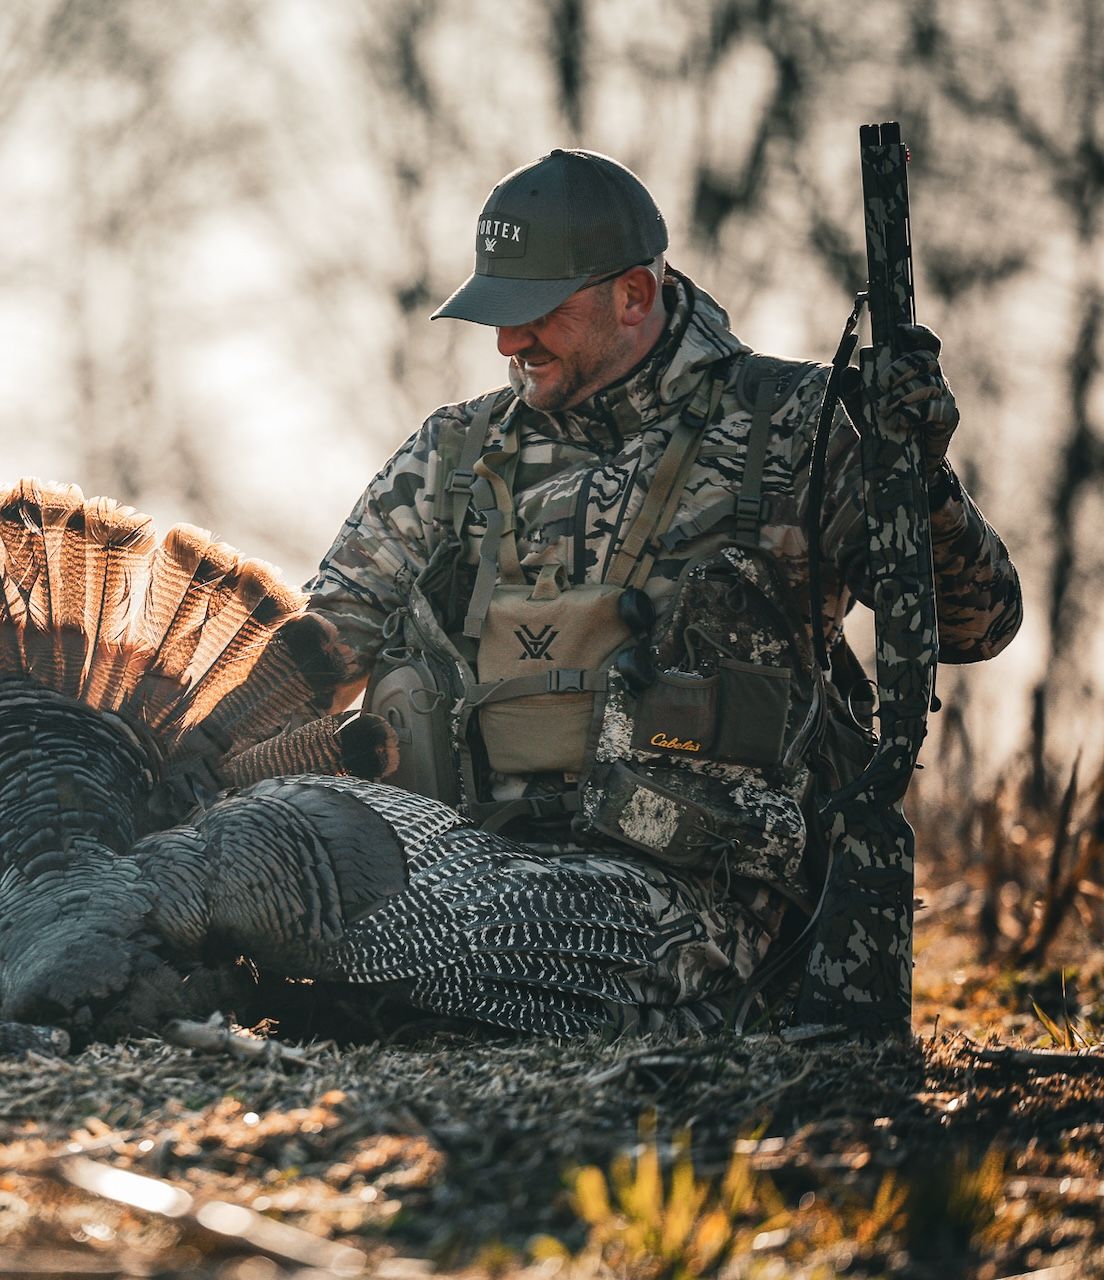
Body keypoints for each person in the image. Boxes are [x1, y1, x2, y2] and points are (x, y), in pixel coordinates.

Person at [305, 148, 1021, 1032]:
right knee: (285, 903)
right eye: (495, 315)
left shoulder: (794, 428)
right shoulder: (455, 454)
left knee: (470, 947)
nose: (507, 342)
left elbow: (977, 624)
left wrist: (920, 478)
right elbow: (318, 648)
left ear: (634, 296)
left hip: (702, 904)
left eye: (536, 314)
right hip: (460, 862)